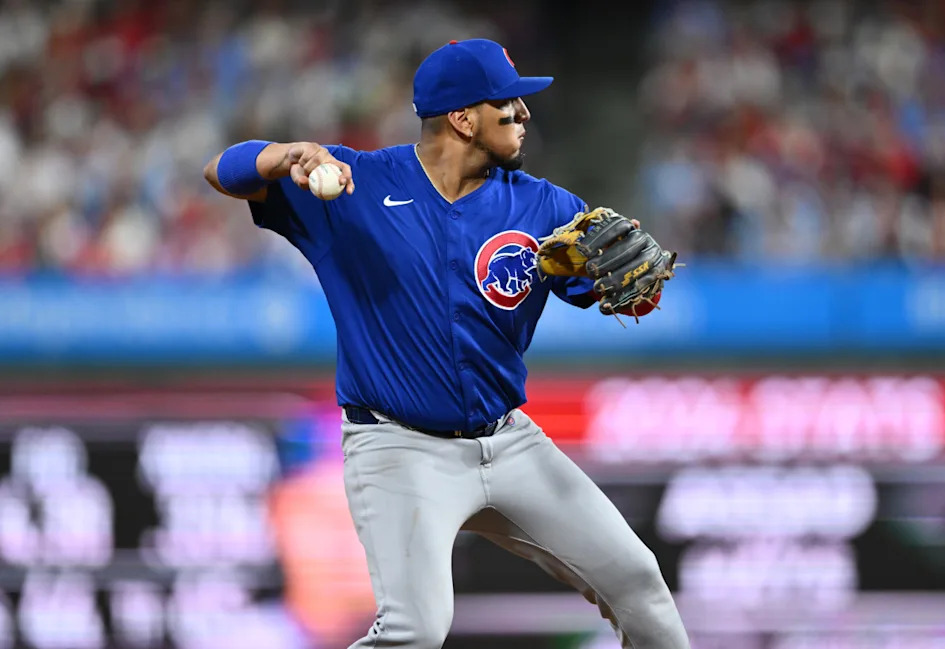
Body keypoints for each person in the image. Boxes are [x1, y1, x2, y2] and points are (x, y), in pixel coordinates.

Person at [204, 38, 690, 649]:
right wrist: (285, 155)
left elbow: (626, 296)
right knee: (415, 631)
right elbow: (220, 170)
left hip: (509, 442)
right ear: (463, 119)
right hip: (399, 448)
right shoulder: (355, 188)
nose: (524, 113)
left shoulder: (544, 206)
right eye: (508, 103)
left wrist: (637, 286)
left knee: (640, 583)